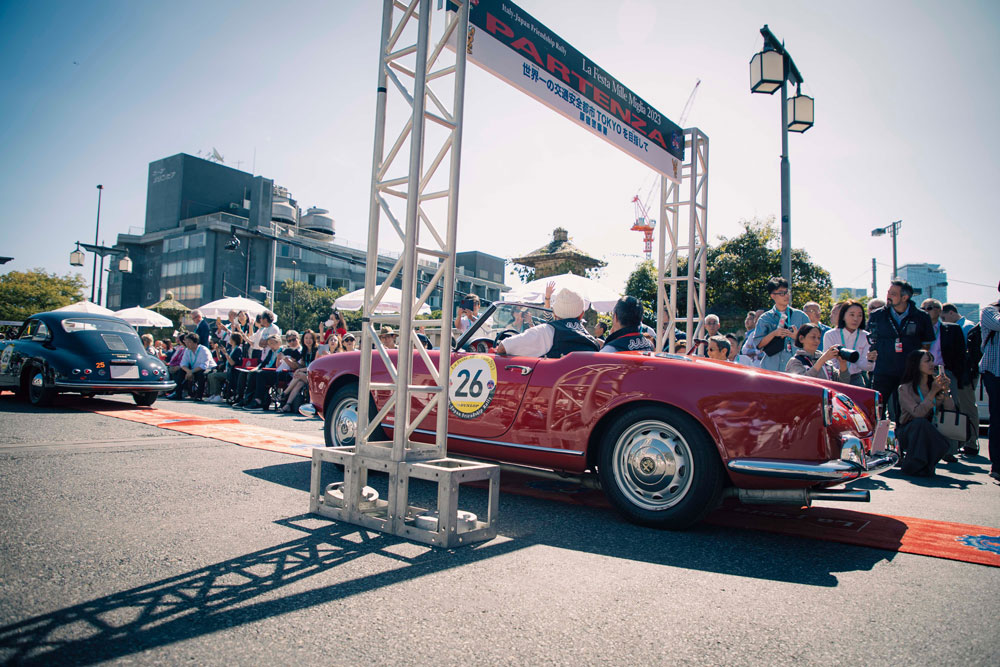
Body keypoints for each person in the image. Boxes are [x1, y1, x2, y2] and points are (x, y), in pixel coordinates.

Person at [868, 280, 935, 419]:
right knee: (877, 410)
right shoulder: (877, 315)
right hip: (883, 370)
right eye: (888, 292)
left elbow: (926, 345)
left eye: (893, 294)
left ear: (905, 297)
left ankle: (904, 439)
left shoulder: (921, 317)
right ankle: (877, 439)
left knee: (905, 413)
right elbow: (870, 339)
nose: (888, 296)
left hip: (909, 373)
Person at [920, 298, 972, 459]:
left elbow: (960, 354)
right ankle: (925, 448)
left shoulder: (952, 329)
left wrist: (957, 375)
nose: (926, 311)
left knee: (949, 408)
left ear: (939, 310)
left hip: (944, 372)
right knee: (924, 408)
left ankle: (950, 450)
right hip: (923, 373)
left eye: (930, 308)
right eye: (923, 308)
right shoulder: (919, 329)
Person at [896, 349, 955, 476]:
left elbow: (950, 410)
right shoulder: (905, 388)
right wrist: (932, 392)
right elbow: (917, 413)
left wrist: (945, 391)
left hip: (932, 429)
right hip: (909, 431)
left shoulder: (935, 384)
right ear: (916, 364)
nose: (932, 364)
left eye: (932, 360)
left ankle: (923, 464)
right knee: (920, 423)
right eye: (927, 361)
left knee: (925, 425)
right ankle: (914, 464)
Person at [496, 288, 600, 358]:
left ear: (554, 312)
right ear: (581, 314)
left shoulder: (546, 332)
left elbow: (503, 347)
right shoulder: (593, 343)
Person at [753, 277, 810, 372]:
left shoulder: (801, 316)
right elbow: (758, 345)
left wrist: (797, 338)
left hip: (796, 369)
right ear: (772, 296)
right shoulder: (765, 318)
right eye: (781, 293)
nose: (786, 296)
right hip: (771, 368)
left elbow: (812, 343)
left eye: (787, 292)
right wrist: (774, 333)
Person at [822, 300, 876, 386]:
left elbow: (866, 366)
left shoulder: (866, 336)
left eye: (860, 315)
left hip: (856, 378)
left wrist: (870, 360)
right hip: (835, 378)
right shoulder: (831, 335)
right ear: (843, 316)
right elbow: (830, 362)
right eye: (852, 314)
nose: (856, 319)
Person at [979, 286, 1000, 482]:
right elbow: (997, 324)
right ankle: (998, 465)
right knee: (998, 420)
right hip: (995, 373)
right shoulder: (990, 311)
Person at [168, 333, 216, 400]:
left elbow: (204, 365)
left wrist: (191, 371)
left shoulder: (203, 350)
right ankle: (178, 393)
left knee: (201, 374)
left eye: (189, 342)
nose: (187, 344)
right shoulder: (187, 350)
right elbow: (183, 364)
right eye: (186, 342)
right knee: (181, 371)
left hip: (208, 369)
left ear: (195, 342)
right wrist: (188, 371)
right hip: (193, 369)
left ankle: (199, 395)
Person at [280, 329, 319, 413]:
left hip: (315, 377)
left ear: (314, 339)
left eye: (310, 338)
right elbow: (303, 365)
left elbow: (313, 367)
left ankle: (284, 393)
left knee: (300, 374)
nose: (308, 340)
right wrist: (295, 363)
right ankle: (288, 405)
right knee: (299, 383)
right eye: (306, 338)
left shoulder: (317, 350)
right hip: (306, 376)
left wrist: (300, 370)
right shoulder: (304, 351)